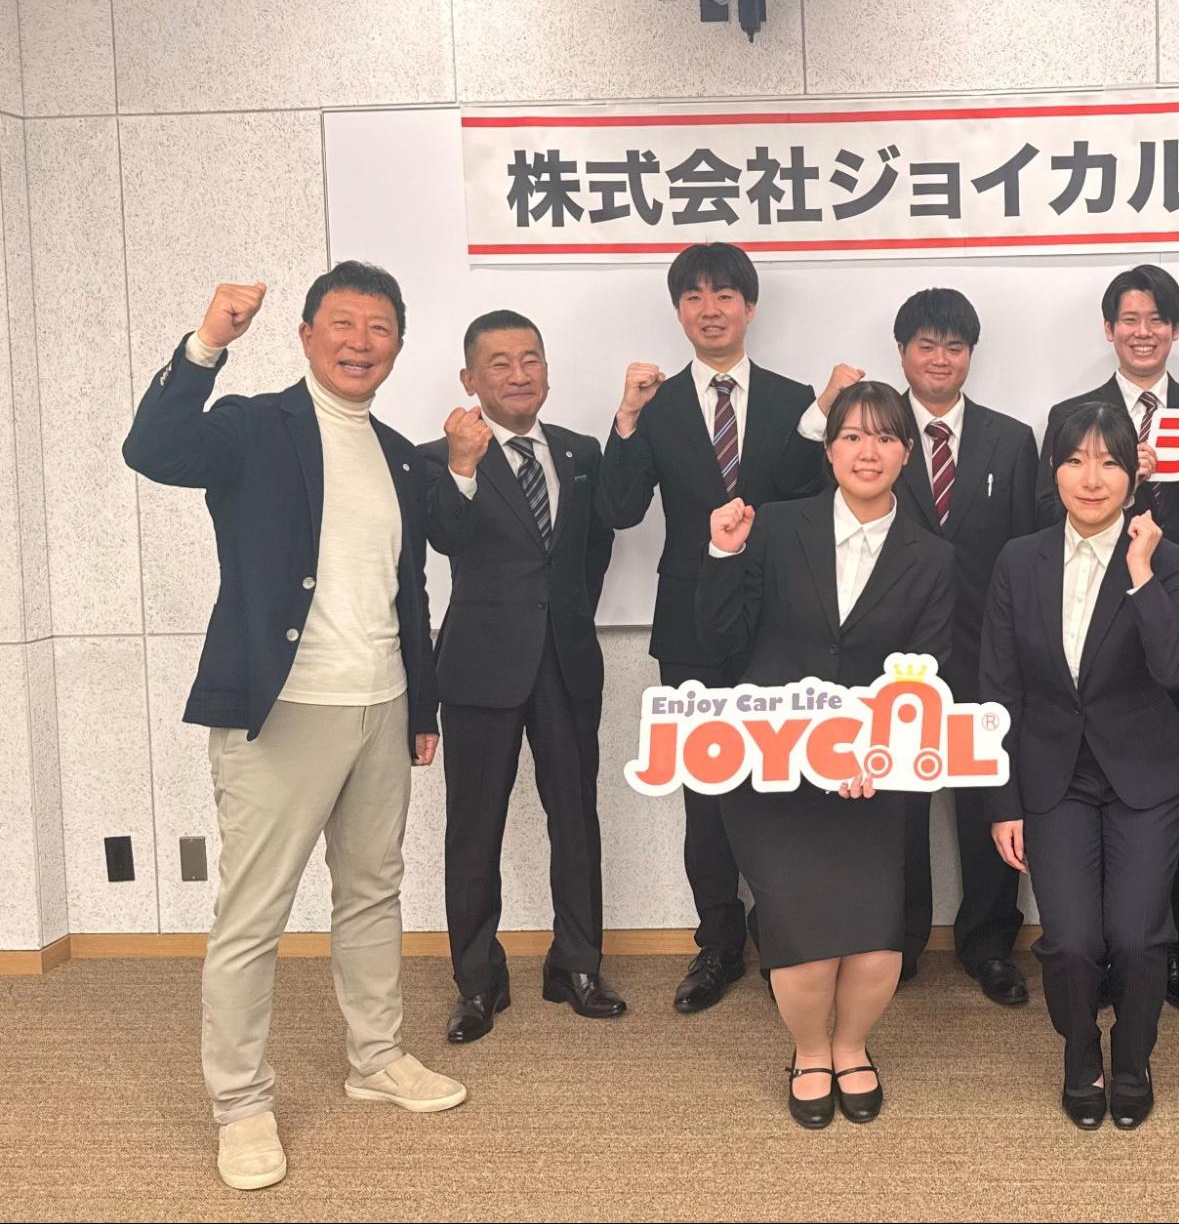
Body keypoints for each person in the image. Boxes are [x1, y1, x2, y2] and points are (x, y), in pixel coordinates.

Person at [122, 266, 463, 1194]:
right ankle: (239, 1103)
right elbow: (152, 448)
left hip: (380, 703)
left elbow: (407, 590)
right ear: (307, 335)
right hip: (280, 709)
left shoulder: (397, 453)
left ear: (399, 345)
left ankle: (376, 1058)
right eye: (342, 323)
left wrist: (420, 706)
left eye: (380, 328)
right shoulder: (252, 427)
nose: (361, 341)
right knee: (255, 913)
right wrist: (207, 343)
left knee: (372, 892)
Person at [696, 380, 955, 1129]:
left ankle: (851, 1045)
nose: (868, 451)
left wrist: (874, 751)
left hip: (873, 776)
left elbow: (925, 674)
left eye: (885, 437)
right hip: (775, 770)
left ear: (906, 453)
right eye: (852, 436)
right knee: (804, 939)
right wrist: (721, 553)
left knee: (874, 948)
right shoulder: (775, 526)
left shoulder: (935, 557)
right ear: (830, 449)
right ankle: (809, 1051)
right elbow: (720, 641)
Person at [596, 242, 824, 1014]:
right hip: (690, 624)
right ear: (678, 311)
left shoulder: (796, 400)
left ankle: (785, 933)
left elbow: (811, 505)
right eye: (693, 296)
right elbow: (618, 508)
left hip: (778, 621)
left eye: (724, 294)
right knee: (708, 792)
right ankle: (718, 944)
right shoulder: (655, 406)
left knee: (783, 781)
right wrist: (626, 419)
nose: (710, 309)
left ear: (749, 307)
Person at [796, 288, 1037, 1003]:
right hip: (889, 660)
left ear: (971, 355)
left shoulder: (1010, 439)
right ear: (901, 352)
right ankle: (895, 941)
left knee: (988, 799)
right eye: (925, 345)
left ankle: (989, 944)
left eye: (954, 346)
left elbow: (1026, 553)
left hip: (985, 654)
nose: (940, 359)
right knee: (895, 804)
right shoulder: (869, 435)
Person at [1035, 263, 1179, 1011]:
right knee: (1094, 790)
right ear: (1108, 329)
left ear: (1175, 330)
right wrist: (1121, 478)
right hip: (1092, 638)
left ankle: (1170, 950)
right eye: (1129, 318)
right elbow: (1043, 513)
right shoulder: (1073, 414)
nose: (1142, 331)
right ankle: (1100, 951)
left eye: (1157, 318)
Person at [986, 404, 1179, 1131]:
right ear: (1054, 470)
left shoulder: (1167, 559)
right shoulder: (1019, 559)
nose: (1091, 477)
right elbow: (999, 688)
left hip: (1145, 776)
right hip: (1053, 777)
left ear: (1134, 475)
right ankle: (1081, 1055)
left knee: (1139, 936)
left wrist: (1140, 574)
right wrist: (1003, 801)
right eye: (1075, 460)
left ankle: (1133, 1059)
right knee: (1071, 941)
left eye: (1110, 462)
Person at [421, 310, 623, 1044]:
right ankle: (478, 982)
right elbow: (443, 535)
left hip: (566, 661)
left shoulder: (579, 451)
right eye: (499, 363)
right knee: (474, 829)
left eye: (530, 359)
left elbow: (593, 548)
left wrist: (565, 614)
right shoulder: (439, 457)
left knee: (576, 818)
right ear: (469, 379)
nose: (518, 374)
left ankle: (577, 965)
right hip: (480, 667)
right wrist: (462, 467)